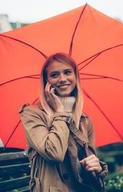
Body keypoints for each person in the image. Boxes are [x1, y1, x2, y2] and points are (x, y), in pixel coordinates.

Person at [19, 52, 108, 192]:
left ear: (75, 77)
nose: (62, 79)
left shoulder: (84, 120)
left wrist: (96, 166)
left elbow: (89, 159)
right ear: (46, 82)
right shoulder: (32, 114)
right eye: (54, 75)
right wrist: (61, 112)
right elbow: (54, 153)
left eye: (67, 72)